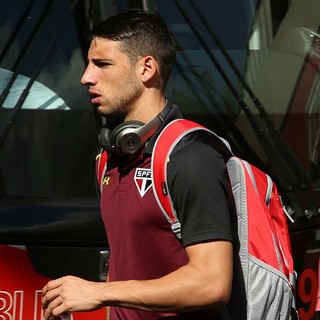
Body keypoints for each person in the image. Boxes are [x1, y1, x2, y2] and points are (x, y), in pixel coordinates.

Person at [42, 9, 233, 320]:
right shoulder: (108, 158)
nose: (86, 77)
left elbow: (212, 283)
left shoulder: (192, 158)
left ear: (146, 68)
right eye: (89, 64)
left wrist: (100, 292)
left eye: (102, 64)